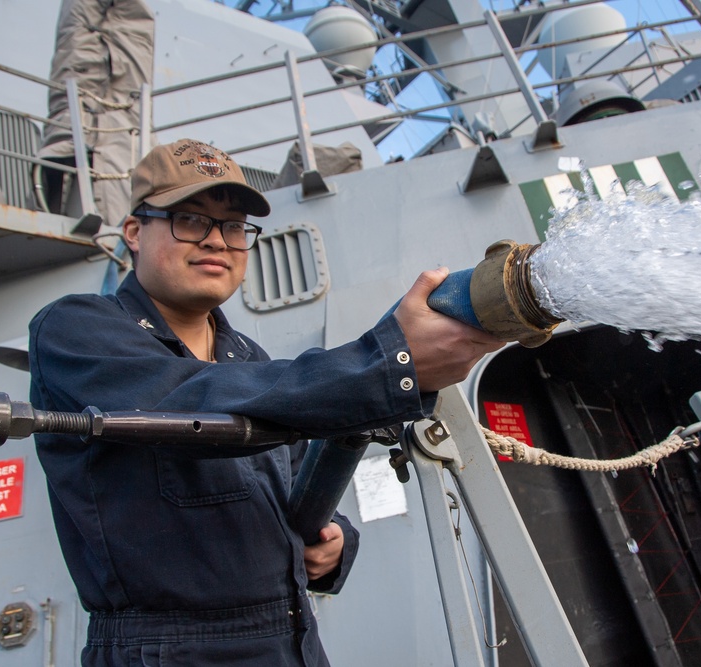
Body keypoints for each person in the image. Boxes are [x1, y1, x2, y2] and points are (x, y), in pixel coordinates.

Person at [28, 138, 504, 666]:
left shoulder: (244, 356)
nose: (217, 241)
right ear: (135, 232)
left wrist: (336, 541)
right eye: (190, 219)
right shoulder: (77, 328)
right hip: (167, 650)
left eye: (233, 227)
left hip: (291, 639)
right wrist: (386, 360)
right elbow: (185, 405)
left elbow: (292, 478)